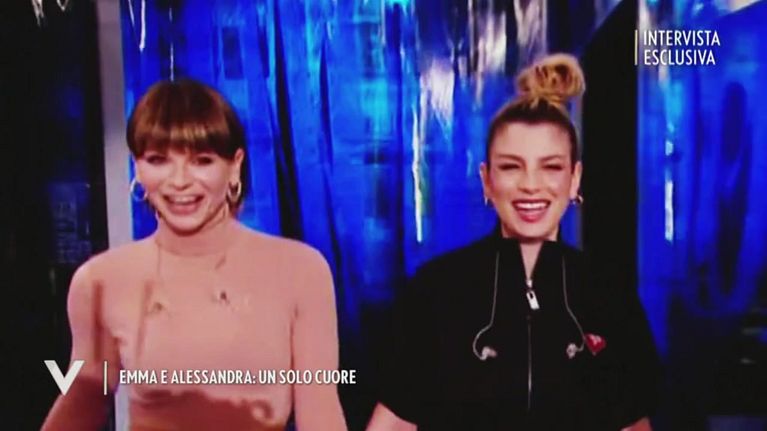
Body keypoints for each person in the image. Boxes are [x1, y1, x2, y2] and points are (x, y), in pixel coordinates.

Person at [366, 54, 660, 430]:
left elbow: (632, 424)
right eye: (511, 167)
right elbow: (393, 422)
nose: (531, 185)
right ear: (487, 181)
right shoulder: (435, 291)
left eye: (551, 167)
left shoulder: (609, 294)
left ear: (574, 179)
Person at [42, 79, 348, 431]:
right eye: (158, 160)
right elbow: (81, 402)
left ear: (234, 166)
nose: (179, 181)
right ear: (137, 168)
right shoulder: (101, 281)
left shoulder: (300, 271)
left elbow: (320, 412)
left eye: (202, 161)